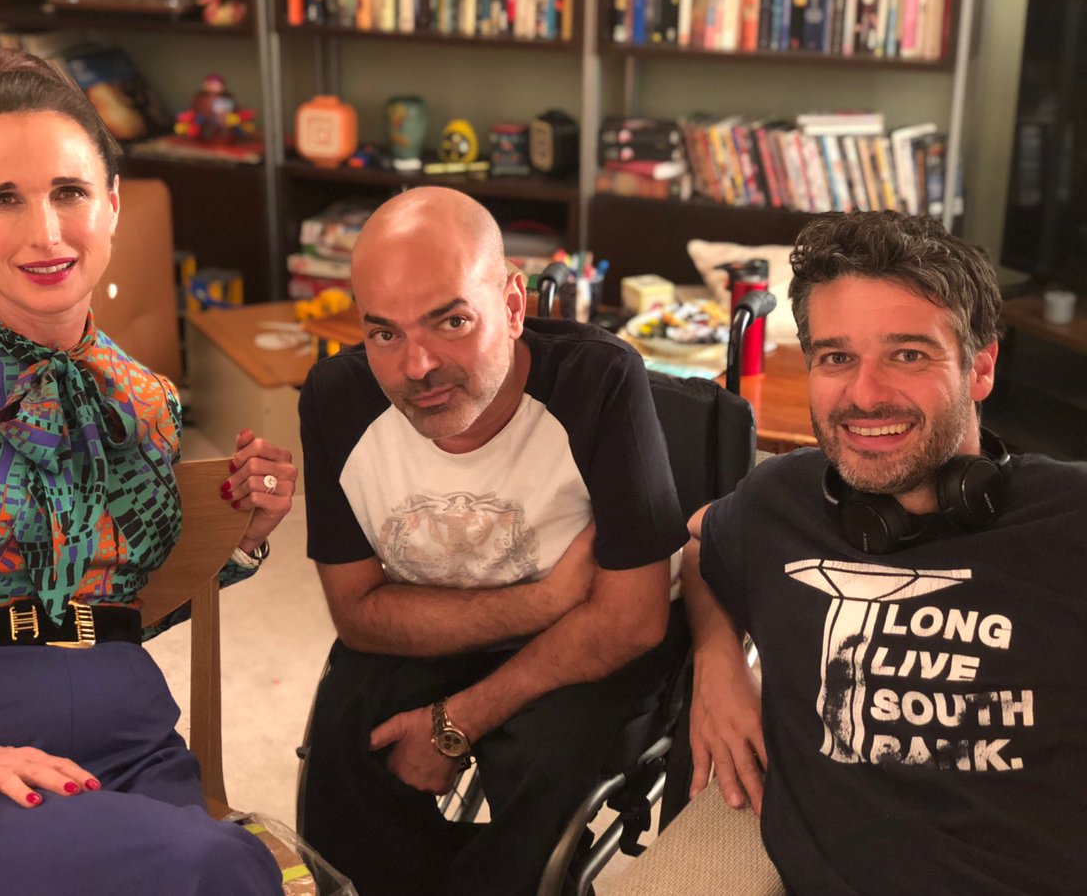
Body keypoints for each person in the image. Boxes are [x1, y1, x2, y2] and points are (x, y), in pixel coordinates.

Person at [0, 50, 297, 895]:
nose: (45, 232)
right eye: (5, 199)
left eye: (69, 192)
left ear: (112, 203)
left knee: (206, 864)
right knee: (216, 868)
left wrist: (242, 539)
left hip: (133, 743)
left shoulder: (148, 400)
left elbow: (118, 610)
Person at [298, 186, 689, 895]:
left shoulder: (600, 382)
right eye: (385, 334)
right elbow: (357, 614)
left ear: (512, 305)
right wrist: (547, 600)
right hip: (487, 620)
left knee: (545, 759)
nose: (417, 366)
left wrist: (455, 723)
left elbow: (632, 620)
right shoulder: (335, 399)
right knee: (346, 748)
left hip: (584, 643)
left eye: (451, 321)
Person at [684, 211, 1087, 894]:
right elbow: (698, 543)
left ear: (981, 367)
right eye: (836, 357)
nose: (865, 395)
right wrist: (717, 660)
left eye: (908, 354)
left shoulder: (1071, 517)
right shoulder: (778, 502)